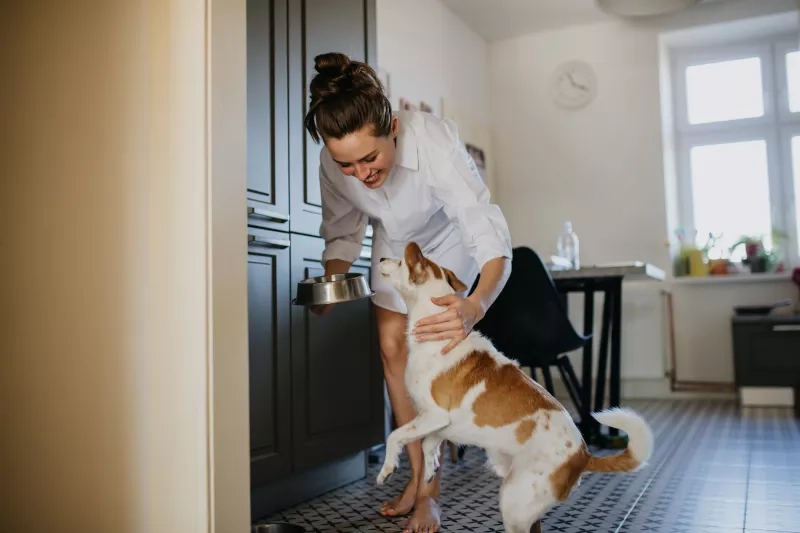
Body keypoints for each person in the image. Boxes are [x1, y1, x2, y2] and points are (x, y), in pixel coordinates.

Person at [305, 52, 512, 533]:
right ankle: (423, 484)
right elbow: (343, 232)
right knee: (393, 351)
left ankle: (428, 493)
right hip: (396, 246)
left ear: (393, 126)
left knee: (432, 362)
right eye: (347, 164)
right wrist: (331, 285)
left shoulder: (433, 139)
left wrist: (474, 304)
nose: (360, 173)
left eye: (370, 158)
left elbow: (486, 234)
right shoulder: (331, 162)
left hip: (451, 242)